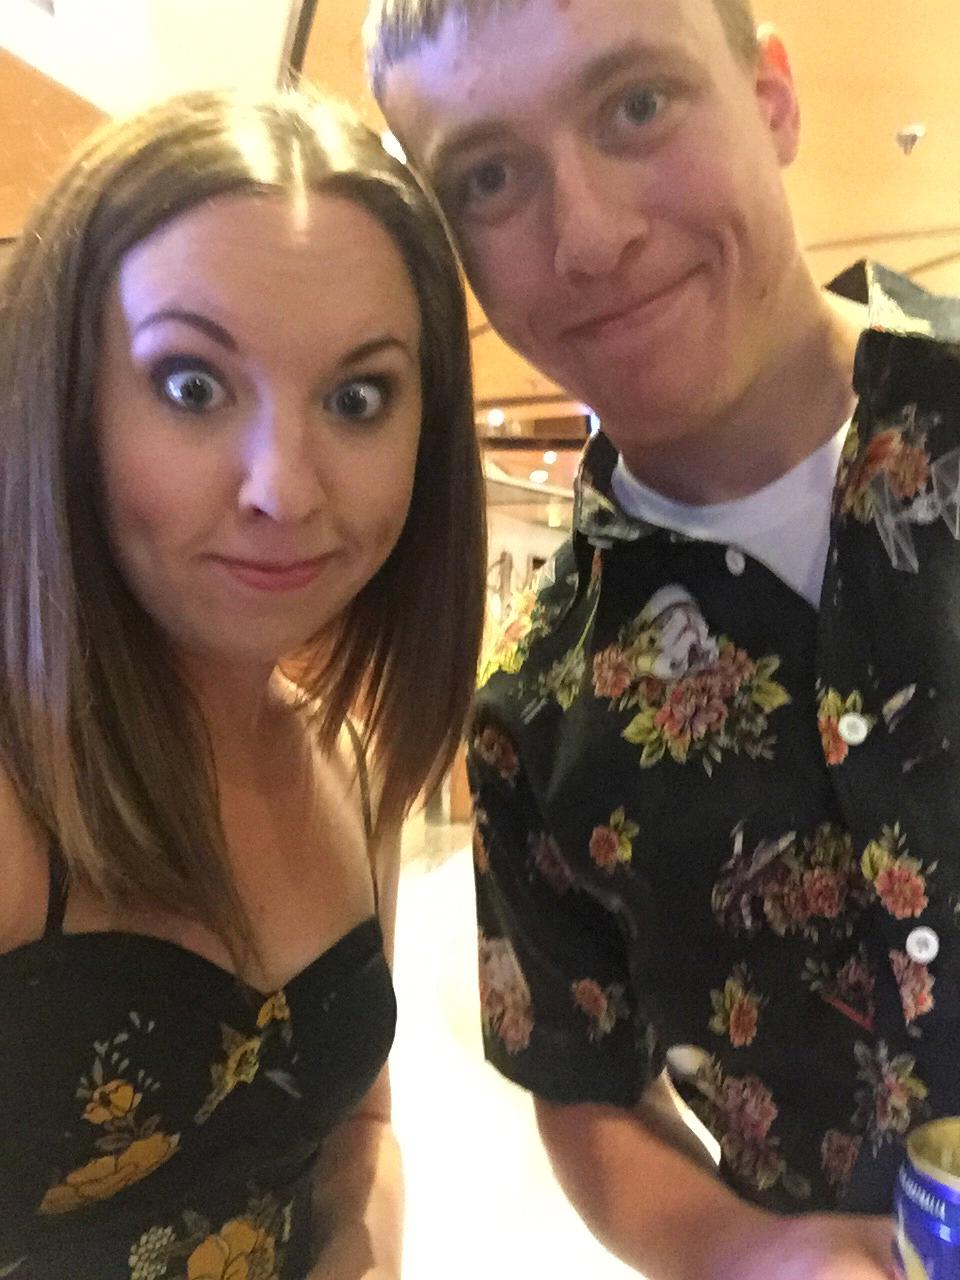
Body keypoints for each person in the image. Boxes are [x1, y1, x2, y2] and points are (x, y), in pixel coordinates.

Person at [365, 0, 960, 1276]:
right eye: (489, 177)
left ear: (772, 99)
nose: (590, 236)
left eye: (636, 105)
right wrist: (760, 1256)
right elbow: (584, 1087)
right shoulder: (532, 707)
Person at [0, 87, 485, 1279]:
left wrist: (361, 1245)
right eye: (192, 386)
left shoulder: (348, 764)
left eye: (357, 398)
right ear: (67, 399)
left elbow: (357, 1125)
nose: (285, 486)